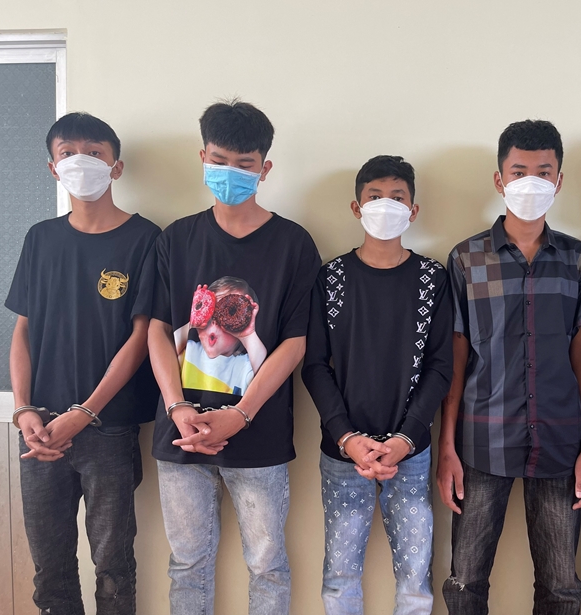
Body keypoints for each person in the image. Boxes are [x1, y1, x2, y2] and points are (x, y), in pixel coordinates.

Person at [148, 99, 320, 615]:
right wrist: (178, 406)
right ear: (203, 158)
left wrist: (241, 414)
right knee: (186, 564)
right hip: (180, 431)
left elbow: (295, 342)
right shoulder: (176, 239)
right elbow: (157, 329)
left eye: (245, 164)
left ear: (265, 168)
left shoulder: (293, 243)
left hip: (258, 433)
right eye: (220, 160)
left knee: (267, 564)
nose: (230, 172)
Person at [437, 120, 581, 615]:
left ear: (559, 180)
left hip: (560, 442)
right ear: (499, 179)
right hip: (481, 442)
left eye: (543, 172)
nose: (531, 181)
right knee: (465, 582)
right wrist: (447, 447)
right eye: (519, 171)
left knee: (562, 586)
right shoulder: (466, 259)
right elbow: (456, 358)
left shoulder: (579, 260)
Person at [6, 111, 160, 614]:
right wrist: (23, 409)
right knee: (49, 570)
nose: (81, 161)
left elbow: (141, 336)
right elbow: (23, 330)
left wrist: (86, 411)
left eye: (94, 153)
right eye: (68, 152)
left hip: (109, 429)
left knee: (114, 568)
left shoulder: (145, 239)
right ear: (53, 167)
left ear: (116, 166)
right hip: (40, 429)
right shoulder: (40, 238)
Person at [302, 155, 453, 615]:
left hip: (411, 451)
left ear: (413, 210)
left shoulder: (433, 279)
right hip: (343, 451)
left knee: (415, 580)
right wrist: (346, 436)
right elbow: (314, 365)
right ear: (356, 207)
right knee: (340, 575)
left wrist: (406, 438)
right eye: (374, 196)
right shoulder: (330, 278)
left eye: (397, 197)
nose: (385, 205)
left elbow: (440, 366)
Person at [177, 277, 267, 396]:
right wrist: (193, 322)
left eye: (228, 314)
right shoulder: (190, 352)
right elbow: (166, 350)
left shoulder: (243, 366)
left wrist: (248, 335)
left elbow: (266, 377)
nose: (214, 322)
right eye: (209, 315)